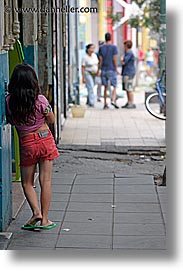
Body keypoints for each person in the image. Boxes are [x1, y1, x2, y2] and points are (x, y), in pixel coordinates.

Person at [6, 64, 60, 230]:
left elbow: (11, 121)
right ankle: (45, 220)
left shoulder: (9, 101)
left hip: (27, 143)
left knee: (27, 183)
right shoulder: (40, 99)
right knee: (46, 181)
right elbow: (51, 119)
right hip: (45, 140)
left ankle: (36, 212)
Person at [98, 32, 119, 109]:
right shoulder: (114, 47)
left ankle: (105, 103)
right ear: (110, 38)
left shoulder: (101, 48)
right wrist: (116, 68)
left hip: (104, 69)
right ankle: (113, 99)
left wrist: (98, 69)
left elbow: (100, 60)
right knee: (114, 86)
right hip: (111, 69)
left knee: (105, 87)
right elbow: (114, 58)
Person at [121, 40, 136, 109]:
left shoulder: (129, 53)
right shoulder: (127, 53)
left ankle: (131, 102)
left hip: (129, 72)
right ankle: (129, 101)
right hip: (126, 72)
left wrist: (122, 59)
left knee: (129, 87)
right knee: (127, 88)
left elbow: (124, 62)